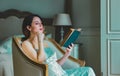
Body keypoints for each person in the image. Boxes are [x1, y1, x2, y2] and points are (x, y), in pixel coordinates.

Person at [21, 14, 96, 76]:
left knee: (88, 70)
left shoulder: (46, 42)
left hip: (60, 73)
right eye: (37, 23)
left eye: (41, 23)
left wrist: (67, 53)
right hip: (48, 74)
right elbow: (40, 63)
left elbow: (55, 65)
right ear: (29, 27)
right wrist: (40, 41)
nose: (41, 25)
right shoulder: (26, 44)